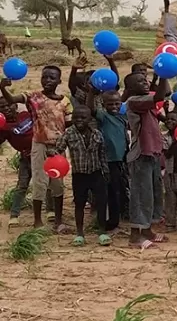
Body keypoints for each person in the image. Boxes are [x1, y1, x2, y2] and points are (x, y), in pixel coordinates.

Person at [3, 66, 73, 231]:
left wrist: (61, 145)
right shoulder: (33, 96)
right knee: (40, 182)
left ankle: (58, 220)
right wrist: (2, 87)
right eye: (45, 77)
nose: (48, 80)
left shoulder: (65, 101)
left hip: (58, 146)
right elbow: (12, 99)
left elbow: (69, 125)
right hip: (39, 144)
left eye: (52, 78)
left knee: (57, 183)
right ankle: (37, 221)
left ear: (59, 81)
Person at [124, 69, 170, 248]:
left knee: (153, 193)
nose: (145, 83)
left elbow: (163, 93)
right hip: (141, 155)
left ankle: (147, 229)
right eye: (140, 81)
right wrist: (165, 72)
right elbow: (159, 95)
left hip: (153, 154)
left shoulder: (146, 103)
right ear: (130, 88)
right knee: (141, 195)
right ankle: (135, 235)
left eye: (146, 80)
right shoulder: (134, 102)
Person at [54, 105, 110, 246]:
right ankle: (80, 233)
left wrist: (106, 171)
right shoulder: (68, 134)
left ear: (89, 119)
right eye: (75, 117)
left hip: (96, 173)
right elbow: (59, 148)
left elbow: (102, 154)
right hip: (79, 175)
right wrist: (53, 154)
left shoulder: (97, 134)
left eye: (83, 117)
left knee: (101, 202)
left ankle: (102, 232)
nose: (79, 120)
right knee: (79, 203)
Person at [90, 88, 128, 233]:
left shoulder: (122, 117)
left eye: (117, 104)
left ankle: (114, 221)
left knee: (116, 191)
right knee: (105, 192)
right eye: (110, 104)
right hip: (106, 160)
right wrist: (91, 93)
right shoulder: (103, 116)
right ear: (104, 105)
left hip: (120, 160)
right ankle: (104, 222)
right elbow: (92, 109)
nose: (114, 107)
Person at [0, 92, 33, 223]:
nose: (7, 108)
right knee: (22, 185)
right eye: (2, 107)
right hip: (25, 158)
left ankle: (50, 211)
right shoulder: (4, 127)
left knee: (45, 183)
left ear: (15, 105)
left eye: (9, 105)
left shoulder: (26, 116)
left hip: (40, 154)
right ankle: (14, 215)